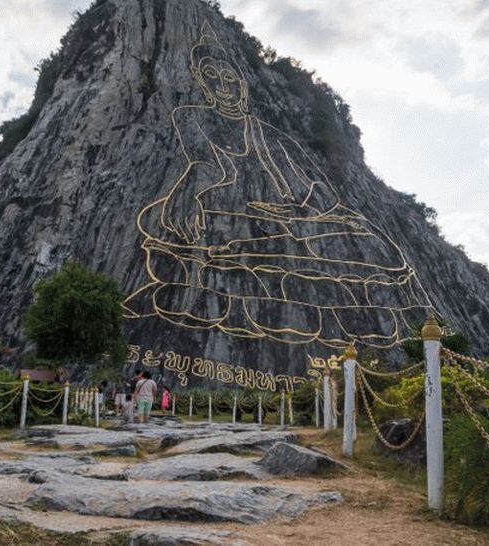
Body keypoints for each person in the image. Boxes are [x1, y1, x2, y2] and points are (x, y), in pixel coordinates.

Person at [123, 21, 433, 349]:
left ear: (242, 83)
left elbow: (317, 188)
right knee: (213, 233)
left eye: (230, 79)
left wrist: (301, 210)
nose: (224, 87)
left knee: (363, 235)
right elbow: (203, 167)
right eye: (212, 78)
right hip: (223, 214)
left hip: (281, 221)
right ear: (201, 81)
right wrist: (190, 193)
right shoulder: (192, 116)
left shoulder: (267, 133)